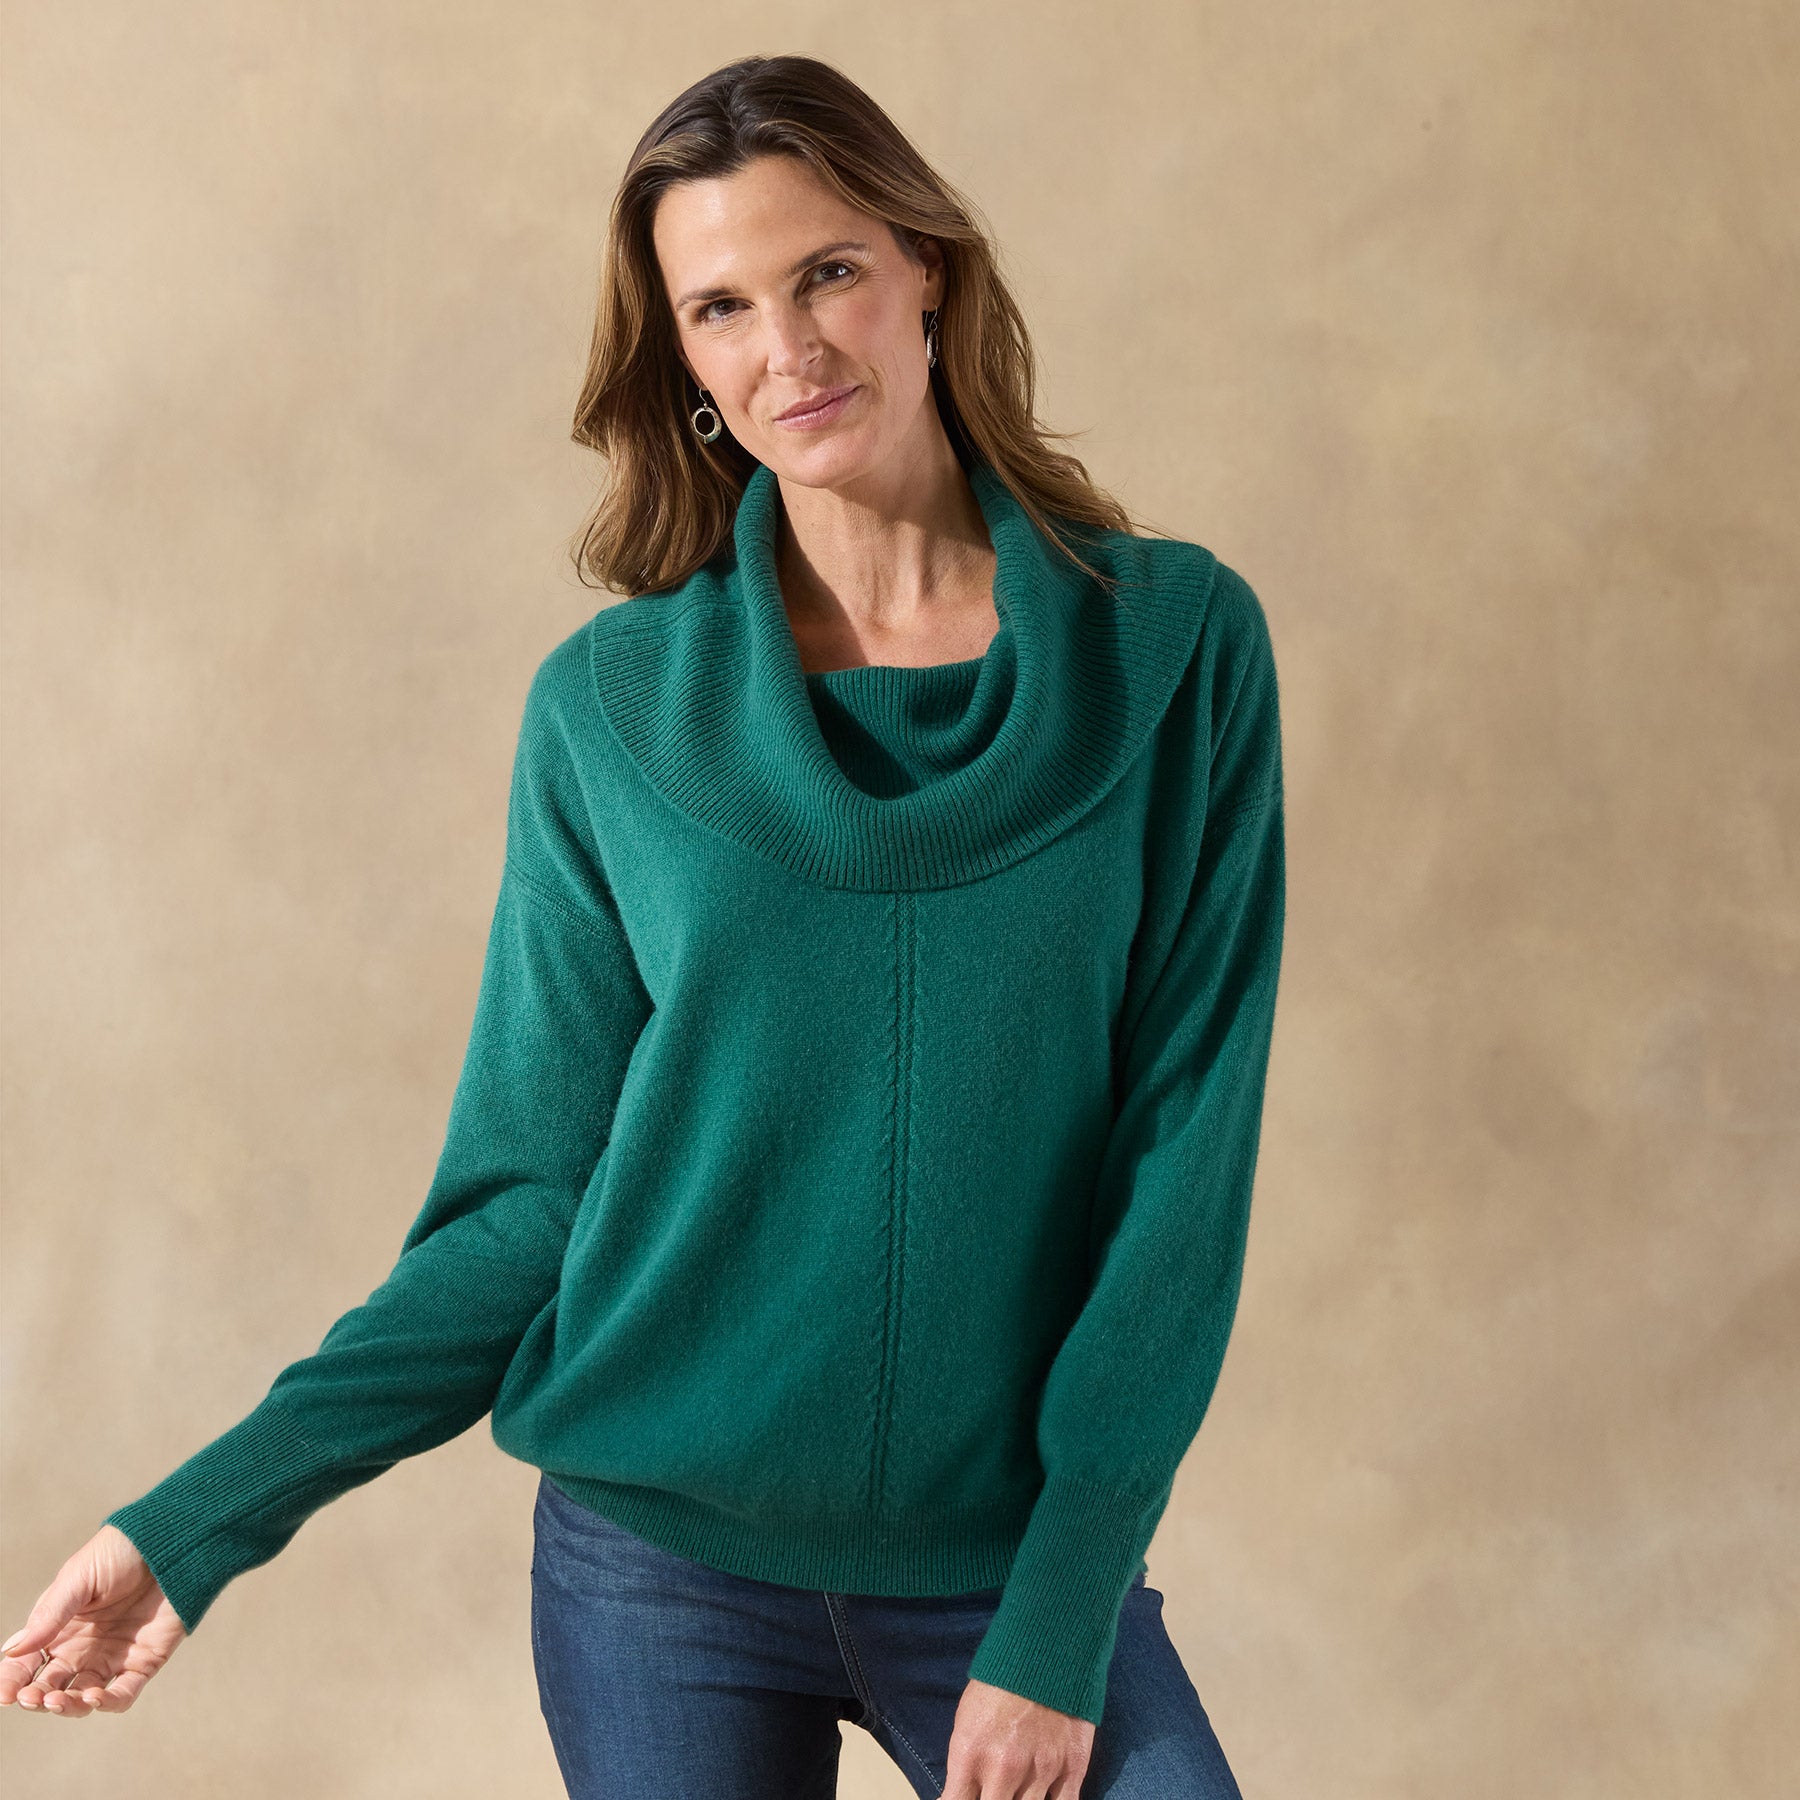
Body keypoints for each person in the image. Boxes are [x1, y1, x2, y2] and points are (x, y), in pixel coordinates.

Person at [1, 53, 1285, 1800]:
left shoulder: (1176, 651)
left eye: (829, 271)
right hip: (657, 1576)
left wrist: (1058, 1619)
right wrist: (197, 1524)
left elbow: (1180, 1167)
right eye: (722, 307)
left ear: (928, 270)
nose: (790, 349)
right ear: (680, 358)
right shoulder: (611, 714)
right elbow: (527, 1205)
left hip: (1006, 1567)